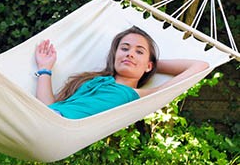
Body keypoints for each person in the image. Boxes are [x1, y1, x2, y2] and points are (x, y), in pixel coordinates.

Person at [34, 25, 209, 119]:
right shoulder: (89, 81)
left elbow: (199, 66)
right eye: (124, 49)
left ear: (149, 65)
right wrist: (45, 69)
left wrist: (151, 65)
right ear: (115, 55)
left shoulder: (141, 95)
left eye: (139, 51)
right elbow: (48, 107)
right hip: (48, 118)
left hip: (60, 127)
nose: (130, 53)